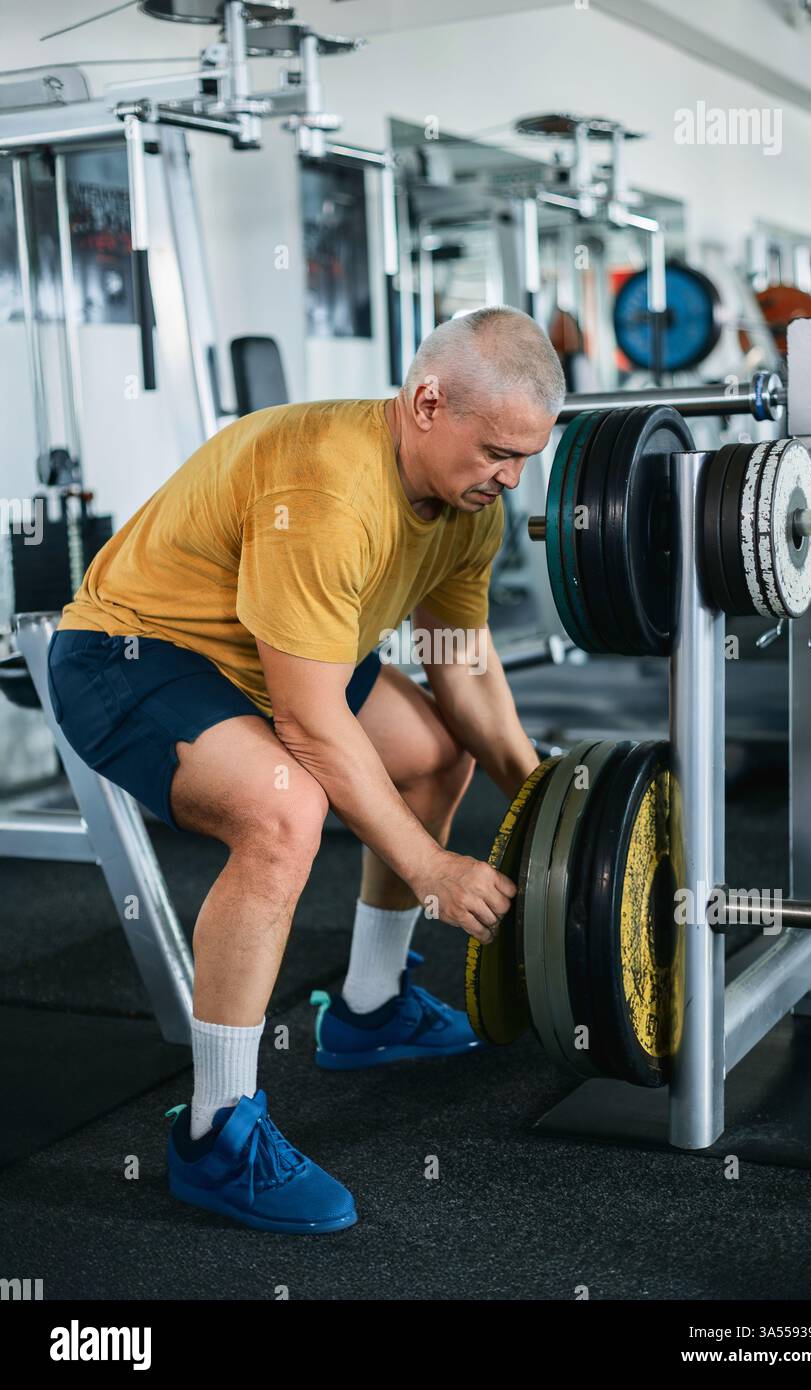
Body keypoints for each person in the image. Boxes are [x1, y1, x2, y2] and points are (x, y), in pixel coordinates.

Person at [47, 304, 566, 1234]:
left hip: (276, 651)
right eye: (496, 450)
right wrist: (432, 869)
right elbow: (313, 726)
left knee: (435, 750)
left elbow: (463, 660)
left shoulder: (468, 506)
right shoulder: (329, 488)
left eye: (526, 457)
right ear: (426, 401)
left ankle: (368, 1008)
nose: (511, 477)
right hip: (135, 654)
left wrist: (545, 796)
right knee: (283, 813)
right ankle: (216, 1133)